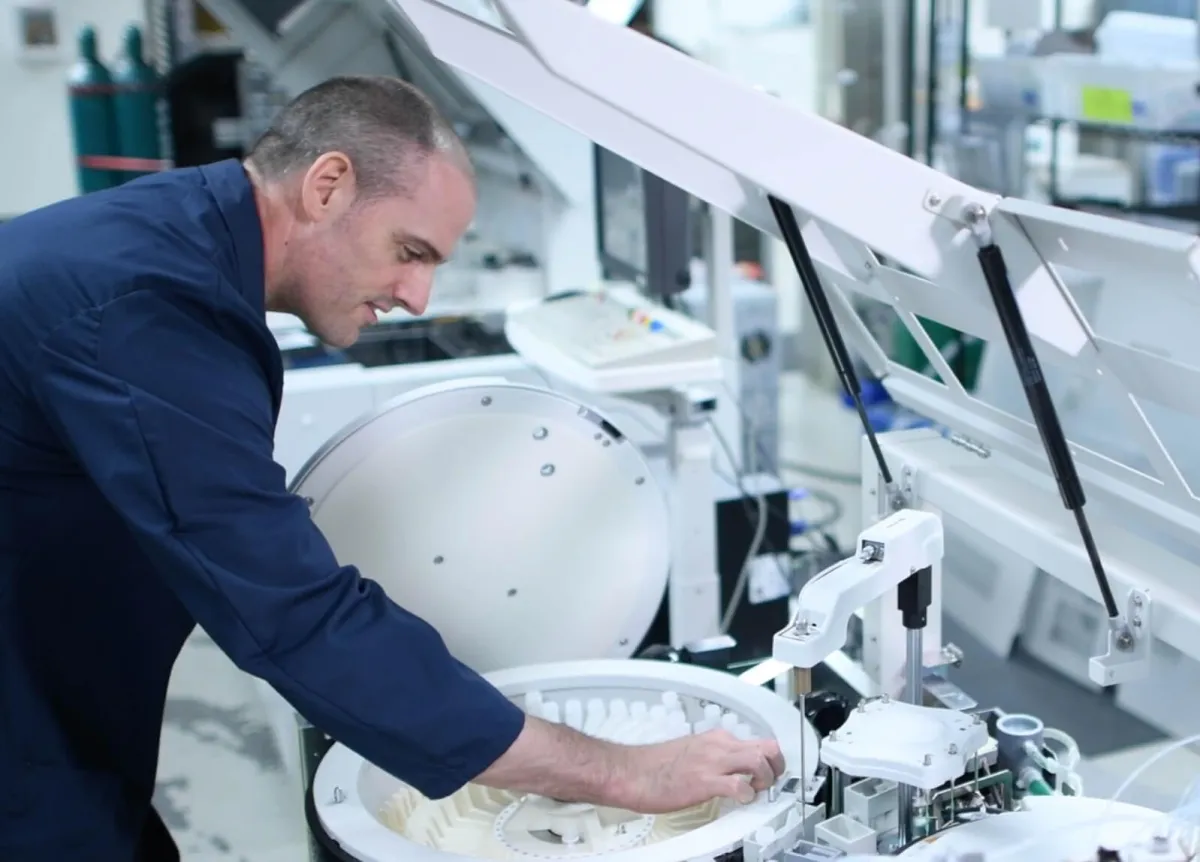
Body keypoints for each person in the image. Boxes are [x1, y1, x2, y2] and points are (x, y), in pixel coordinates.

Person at [0, 75, 785, 861]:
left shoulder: (177, 240)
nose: (417, 296)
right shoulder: (148, 310)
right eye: (409, 252)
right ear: (328, 185)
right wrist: (620, 773)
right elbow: (293, 614)